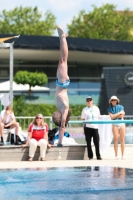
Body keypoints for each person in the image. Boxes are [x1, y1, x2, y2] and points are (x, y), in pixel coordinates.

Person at [52, 26, 71, 147]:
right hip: (62, 82)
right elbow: (63, 125)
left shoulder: (60, 108)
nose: (53, 115)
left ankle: (62, 38)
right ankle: (63, 37)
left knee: (62, 60)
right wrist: (60, 142)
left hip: (60, 82)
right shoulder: (65, 110)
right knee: (63, 60)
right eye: (55, 117)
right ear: (59, 117)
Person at [81, 96, 102, 160]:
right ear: (86, 102)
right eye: (88, 100)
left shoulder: (96, 108)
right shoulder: (84, 109)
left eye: (90, 100)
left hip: (95, 127)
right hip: (88, 127)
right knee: (88, 142)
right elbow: (82, 118)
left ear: (92, 101)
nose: (89, 102)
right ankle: (90, 156)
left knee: (97, 142)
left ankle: (98, 156)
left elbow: (98, 117)